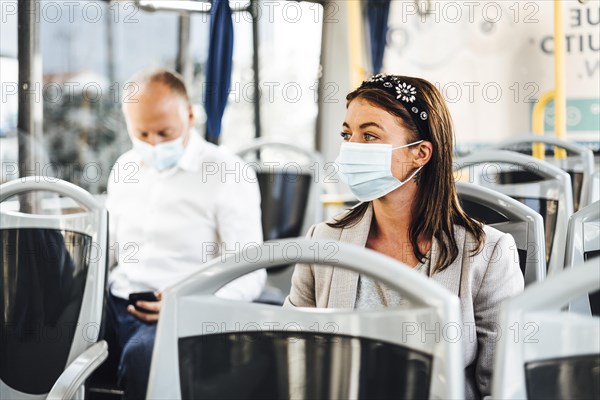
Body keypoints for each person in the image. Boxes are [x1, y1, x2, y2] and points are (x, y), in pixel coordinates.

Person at [285, 74, 524, 399]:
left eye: (369, 136)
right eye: (347, 134)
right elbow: (294, 362)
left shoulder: (487, 254)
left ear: (421, 154)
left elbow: (503, 387)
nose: (351, 148)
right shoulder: (323, 242)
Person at [105, 68, 266, 399]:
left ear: (190, 115)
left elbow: (251, 271)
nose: (153, 144)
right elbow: (111, 250)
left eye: (164, 132)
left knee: (144, 356)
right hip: (117, 301)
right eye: (142, 135)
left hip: (185, 310)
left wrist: (191, 304)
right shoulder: (124, 168)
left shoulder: (228, 173)